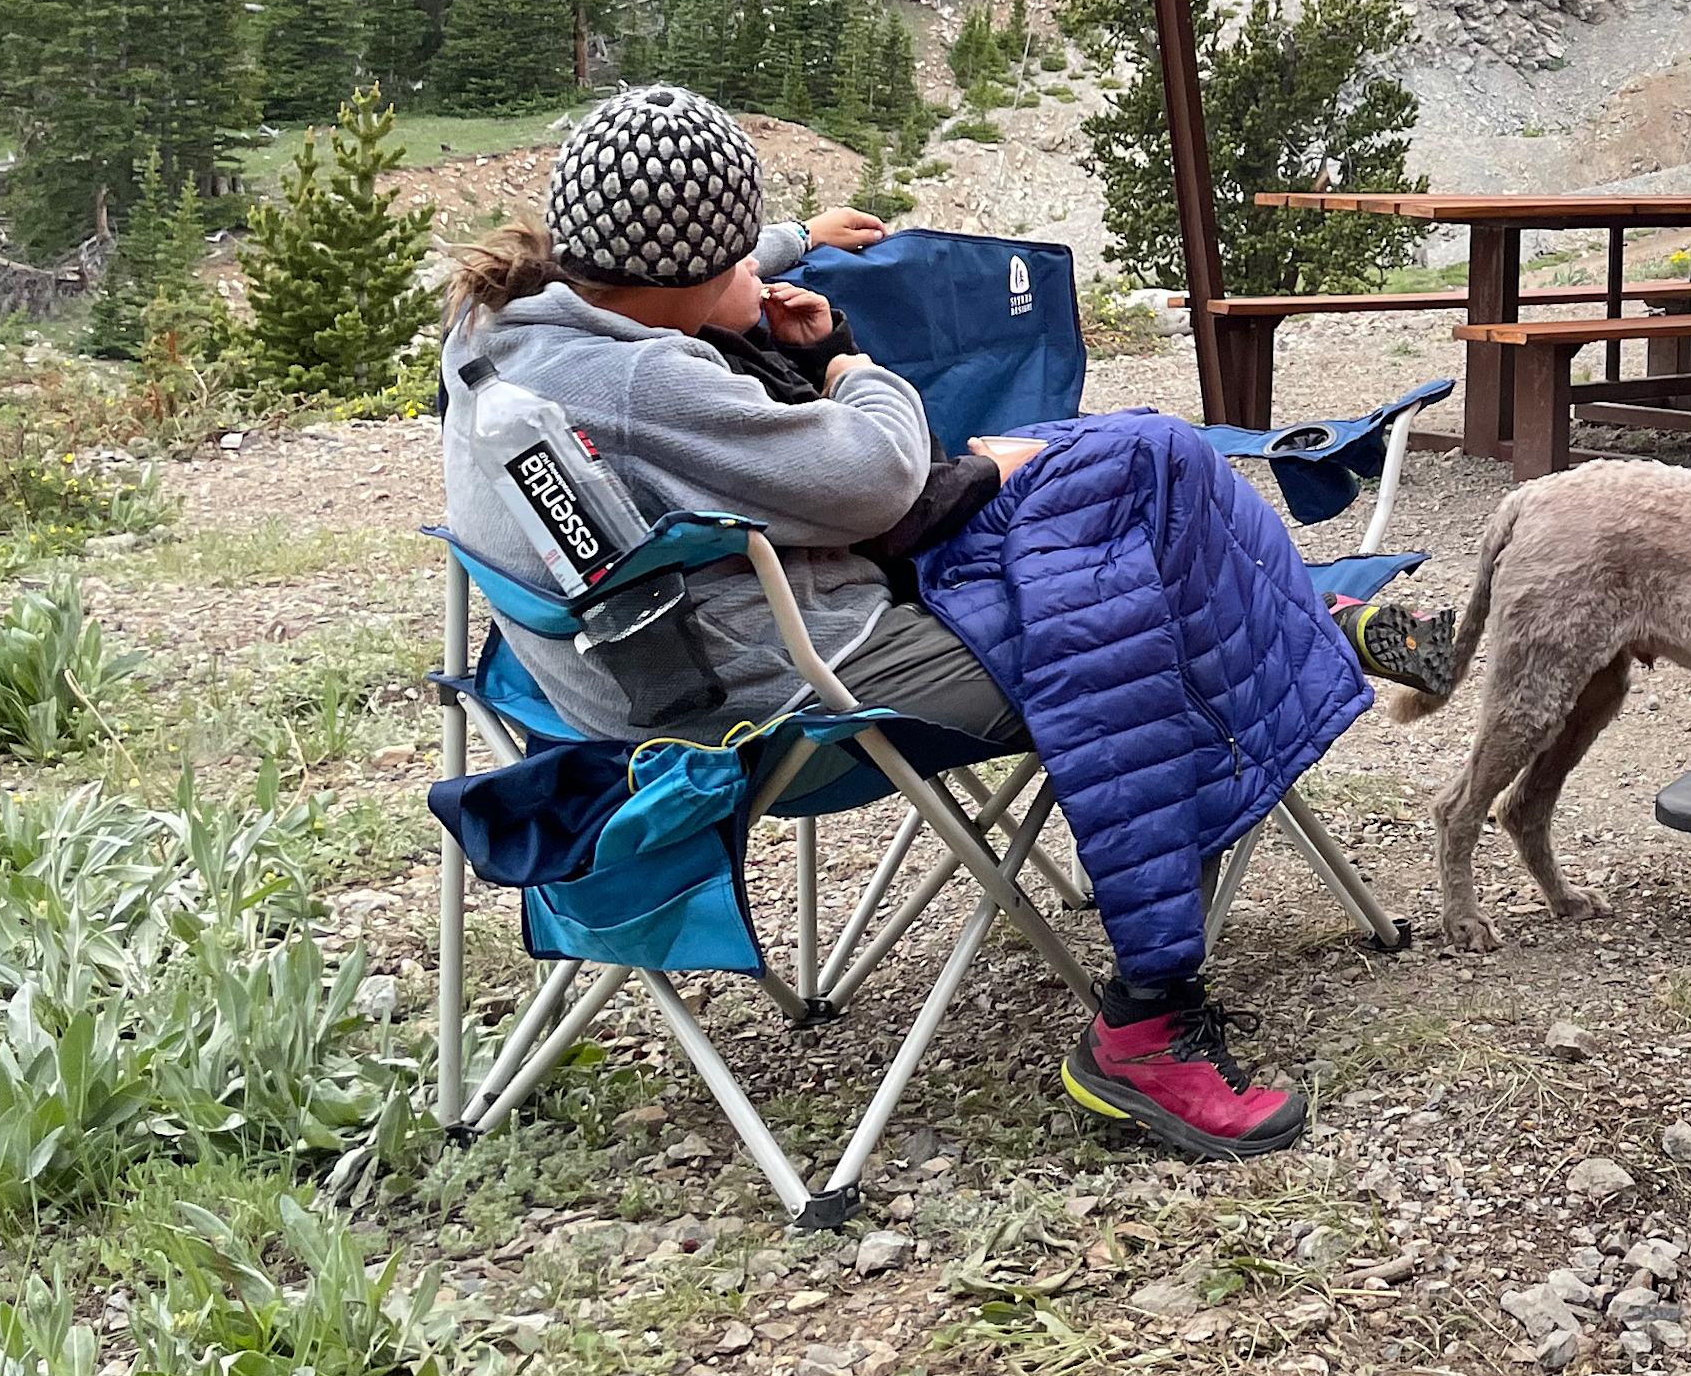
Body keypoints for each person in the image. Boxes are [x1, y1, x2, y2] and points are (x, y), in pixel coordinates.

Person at [441, 83, 1307, 1158]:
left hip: (604, 682)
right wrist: (848, 361)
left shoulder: (500, 327)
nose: (757, 277)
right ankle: (1146, 1023)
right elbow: (881, 480)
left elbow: (666, 257)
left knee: (1115, 477)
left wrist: (791, 244)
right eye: (739, 261)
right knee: (1124, 623)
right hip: (795, 691)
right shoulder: (641, 380)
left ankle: (1303, 619)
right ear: (687, 276)